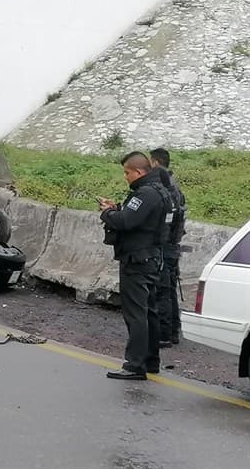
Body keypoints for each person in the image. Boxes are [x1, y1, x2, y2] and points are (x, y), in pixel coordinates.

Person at [98, 151, 173, 380]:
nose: (125, 177)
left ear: (139, 172)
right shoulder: (162, 192)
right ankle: (150, 361)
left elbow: (126, 221)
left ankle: (134, 365)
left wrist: (107, 212)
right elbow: (139, 219)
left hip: (137, 262)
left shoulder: (145, 194)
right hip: (152, 259)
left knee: (136, 313)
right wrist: (118, 208)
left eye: (127, 172)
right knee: (149, 311)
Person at [149, 148, 187, 347]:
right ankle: (172, 331)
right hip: (173, 245)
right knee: (169, 289)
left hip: (164, 245)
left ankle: (164, 334)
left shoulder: (163, 187)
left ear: (154, 163)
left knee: (162, 290)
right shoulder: (175, 186)